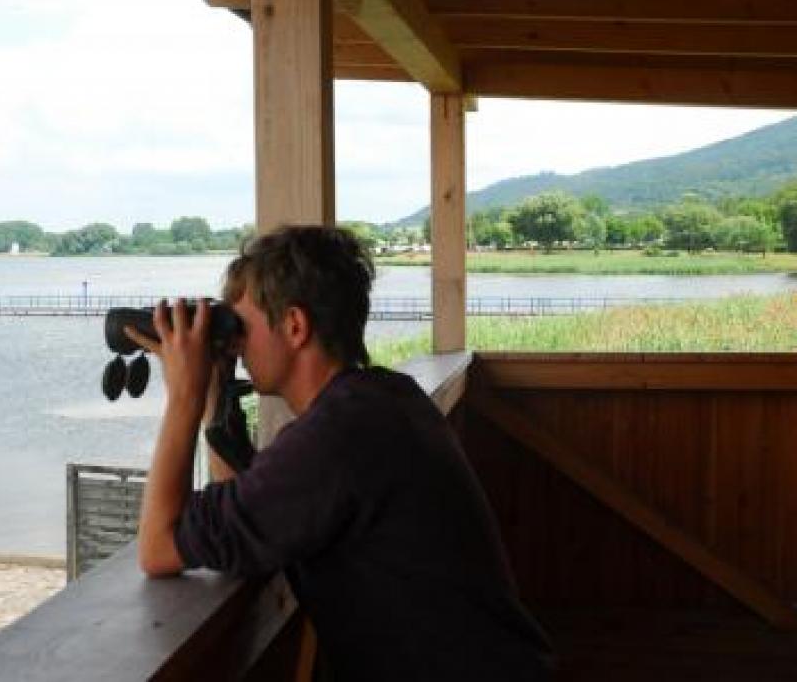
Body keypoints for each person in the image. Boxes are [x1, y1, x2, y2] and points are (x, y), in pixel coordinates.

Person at [126, 226, 554, 680]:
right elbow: (242, 512)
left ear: (295, 326)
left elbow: (157, 548)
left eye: (241, 327)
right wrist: (216, 397)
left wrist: (183, 399)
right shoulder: (384, 398)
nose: (234, 343)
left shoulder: (335, 437)